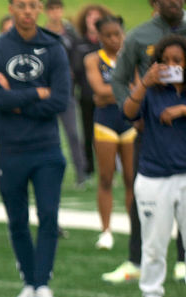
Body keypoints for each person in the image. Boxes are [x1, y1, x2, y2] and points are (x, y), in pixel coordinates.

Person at [0, 0, 71, 297]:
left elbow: (61, 99)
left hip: (47, 149)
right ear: (11, 7)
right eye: (21, 5)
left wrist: (17, 99)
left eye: (33, 5)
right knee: (17, 221)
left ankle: (43, 288)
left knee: (48, 216)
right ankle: (29, 287)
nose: (28, 11)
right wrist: (38, 91)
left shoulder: (54, 47)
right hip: (10, 149)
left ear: (40, 9)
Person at [106, 0, 186, 284]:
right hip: (152, 129)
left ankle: (182, 261)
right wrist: (131, 113)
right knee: (146, 195)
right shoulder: (139, 36)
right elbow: (118, 79)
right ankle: (136, 259)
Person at [122, 34, 186, 297]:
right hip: (153, 177)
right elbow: (127, 111)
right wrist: (144, 83)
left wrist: (182, 108)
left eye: (177, 61)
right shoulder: (150, 89)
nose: (171, 66)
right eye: (164, 61)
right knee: (153, 243)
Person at [84, 15, 136, 250]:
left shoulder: (132, 57)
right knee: (106, 178)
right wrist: (125, 90)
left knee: (131, 179)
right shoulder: (93, 59)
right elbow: (97, 89)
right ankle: (106, 231)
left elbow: (136, 88)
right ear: (99, 37)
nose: (115, 39)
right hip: (105, 122)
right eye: (109, 35)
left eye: (118, 34)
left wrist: (108, 93)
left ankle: (136, 229)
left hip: (129, 122)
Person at [45, 0, 89, 188]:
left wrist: (71, 70)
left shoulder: (70, 33)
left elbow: (78, 58)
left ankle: (81, 172)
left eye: (58, 9)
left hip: (66, 93)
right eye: (52, 9)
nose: (55, 13)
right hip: (46, 94)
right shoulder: (42, 33)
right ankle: (49, 174)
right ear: (47, 12)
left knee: (73, 134)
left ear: (61, 10)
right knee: (48, 136)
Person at [72, 5, 113, 180]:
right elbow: (74, 70)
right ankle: (89, 168)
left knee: (110, 132)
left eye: (97, 16)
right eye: (90, 16)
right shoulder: (79, 44)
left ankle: (112, 168)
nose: (93, 20)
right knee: (87, 133)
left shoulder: (111, 42)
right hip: (87, 96)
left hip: (110, 97)